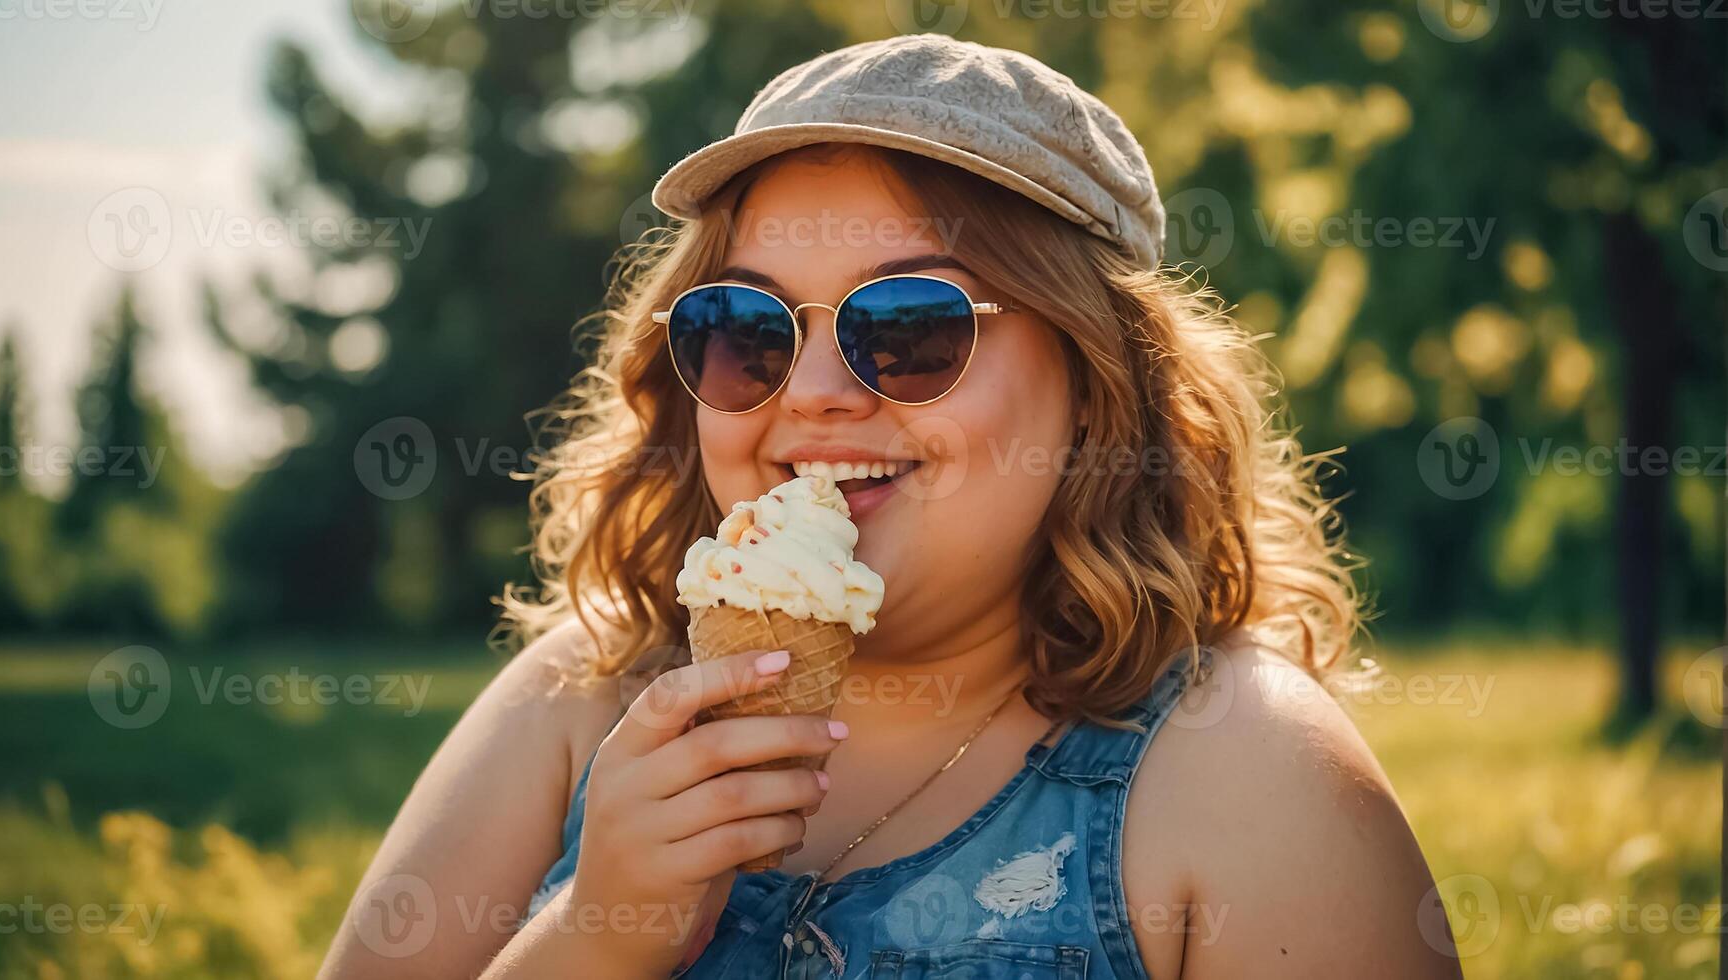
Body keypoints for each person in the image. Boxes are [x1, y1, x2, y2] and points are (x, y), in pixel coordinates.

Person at [320, 33, 1461, 980]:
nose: (811, 396)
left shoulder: (1245, 777)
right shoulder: (583, 699)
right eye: (748, 330)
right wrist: (593, 932)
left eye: (907, 328)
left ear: (1094, 381)